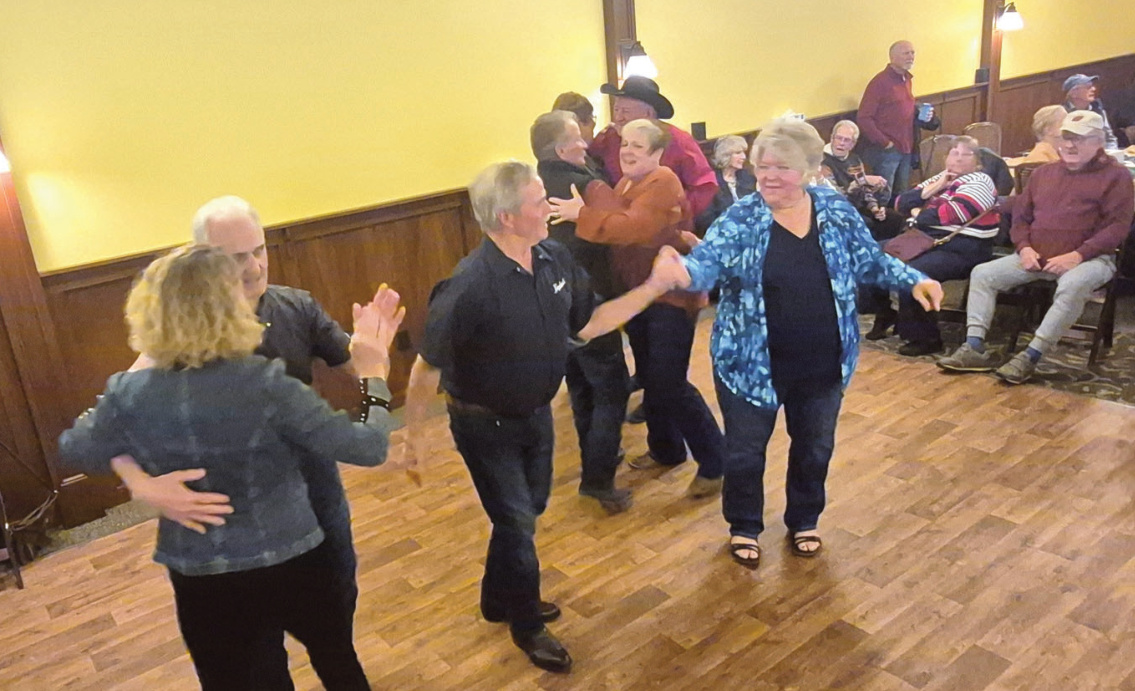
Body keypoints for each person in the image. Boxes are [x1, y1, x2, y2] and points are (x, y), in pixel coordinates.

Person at [59, 244, 406, 690]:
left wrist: (138, 480)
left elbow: (77, 448)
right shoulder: (267, 385)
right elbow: (369, 447)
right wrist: (374, 374)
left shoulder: (129, 392)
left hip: (202, 576)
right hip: (294, 556)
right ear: (230, 309)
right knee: (337, 660)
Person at [400, 161, 688, 674]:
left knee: (525, 511)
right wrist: (414, 439)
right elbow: (426, 368)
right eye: (539, 202)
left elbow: (591, 323)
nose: (549, 208)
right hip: (483, 425)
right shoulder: (468, 287)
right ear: (508, 218)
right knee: (517, 522)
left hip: (535, 414)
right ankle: (527, 623)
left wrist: (654, 286)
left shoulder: (553, 258)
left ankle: (497, 597)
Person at [664, 119, 943, 568]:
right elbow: (707, 265)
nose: (769, 176)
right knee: (745, 452)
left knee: (814, 447)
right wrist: (681, 272)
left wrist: (914, 280)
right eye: (763, 166)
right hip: (749, 361)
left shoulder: (833, 209)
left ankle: (804, 518)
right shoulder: (741, 217)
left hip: (823, 359)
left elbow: (869, 260)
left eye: (783, 167)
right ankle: (744, 525)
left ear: (810, 169)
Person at [550, 118, 726, 499]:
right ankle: (666, 449)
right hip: (641, 297)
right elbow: (619, 221)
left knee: (669, 382)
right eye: (625, 144)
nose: (627, 151)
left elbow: (633, 227)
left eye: (638, 146)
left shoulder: (663, 181)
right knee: (651, 375)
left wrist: (581, 214)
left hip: (670, 298)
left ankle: (716, 461)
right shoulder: (628, 183)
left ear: (658, 153)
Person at [938, 110, 1134, 384]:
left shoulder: (1117, 177)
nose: (1070, 145)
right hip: (1037, 255)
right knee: (983, 274)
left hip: (1091, 259)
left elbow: (1116, 229)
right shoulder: (1043, 173)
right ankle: (974, 346)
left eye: (1079, 139)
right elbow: (1021, 218)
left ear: (1098, 141)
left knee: (1073, 285)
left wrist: (1078, 255)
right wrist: (1024, 248)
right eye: (1066, 137)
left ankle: (1031, 355)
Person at [531, 110, 631, 513]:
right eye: (576, 138)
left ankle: (596, 459)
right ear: (560, 150)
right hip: (591, 300)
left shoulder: (530, 186)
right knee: (611, 387)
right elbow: (621, 227)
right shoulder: (585, 185)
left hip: (552, 303)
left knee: (580, 385)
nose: (585, 144)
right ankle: (599, 478)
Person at [861, 135, 1000, 355]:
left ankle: (926, 338)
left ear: (978, 162)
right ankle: (886, 312)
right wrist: (936, 187)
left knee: (914, 271)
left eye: (966, 154)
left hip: (962, 247)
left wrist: (917, 213)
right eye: (954, 152)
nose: (959, 158)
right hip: (924, 239)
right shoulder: (943, 178)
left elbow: (950, 214)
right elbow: (900, 203)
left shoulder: (980, 181)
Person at [588, 76, 718, 217]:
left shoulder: (678, 141)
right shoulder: (608, 138)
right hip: (619, 220)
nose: (618, 117)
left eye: (625, 111)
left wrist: (676, 213)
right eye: (616, 110)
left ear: (648, 114)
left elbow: (704, 186)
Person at [857, 40, 940, 199]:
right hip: (887, 150)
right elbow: (864, 118)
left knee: (902, 193)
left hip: (906, 146)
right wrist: (885, 143)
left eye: (912, 53)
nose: (911, 57)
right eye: (906, 53)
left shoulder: (906, 79)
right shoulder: (879, 82)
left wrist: (923, 115)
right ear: (892, 57)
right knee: (883, 194)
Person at [818, 119, 904, 240]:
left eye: (847, 140)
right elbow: (836, 195)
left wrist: (874, 208)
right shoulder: (822, 162)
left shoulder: (855, 159)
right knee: (866, 223)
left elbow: (865, 190)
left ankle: (886, 249)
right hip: (839, 210)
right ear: (832, 138)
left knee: (895, 219)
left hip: (859, 205)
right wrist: (862, 181)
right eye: (838, 138)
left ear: (853, 144)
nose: (841, 143)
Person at [695, 135, 757, 234]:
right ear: (726, 156)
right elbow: (704, 220)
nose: (744, 157)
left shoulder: (748, 178)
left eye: (744, 152)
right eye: (738, 153)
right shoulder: (711, 183)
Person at [1063, 74, 1119, 150]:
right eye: (1088, 87)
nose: (1094, 89)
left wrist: (1111, 153)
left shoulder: (1098, 110)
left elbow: (1109, 139)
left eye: (1092, 86)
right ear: (1074, 93)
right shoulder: (1062, 113)